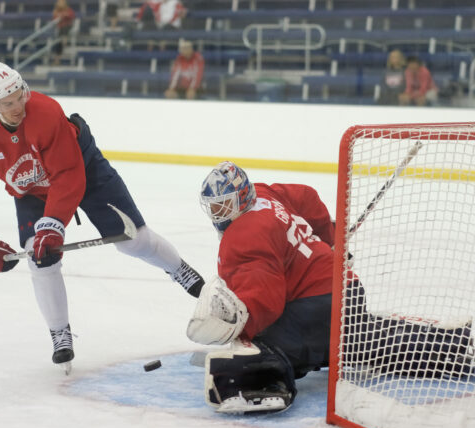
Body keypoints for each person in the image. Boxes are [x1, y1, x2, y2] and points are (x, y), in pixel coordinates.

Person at [0, 61, 204, 374]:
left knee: (133, 240)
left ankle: (177, 268)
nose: (18, 106)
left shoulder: (46, 113)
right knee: (40, 258)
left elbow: (67, 174)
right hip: (33, 192)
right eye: (7, 103)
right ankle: (59, 333)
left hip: (84, 170)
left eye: (20, 95)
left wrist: (54, 223)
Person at [187, 161, 472, 414]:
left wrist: (241, 331)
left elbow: (266, 298)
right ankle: (461, 340)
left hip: (322, 304)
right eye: (213, 206)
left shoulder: (243, 234)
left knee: (267, 343)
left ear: (241, 197)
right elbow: (306, 197)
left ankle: (461, 348)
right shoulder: (263, 194)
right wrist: (329, 238)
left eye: (223, 205)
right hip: (341, 287)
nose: (218, 213)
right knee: (364, 340)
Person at [51, 0, 76, 65]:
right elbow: (55, 19)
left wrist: (64, 15)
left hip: (68, 26)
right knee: (58, 43)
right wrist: (62, 15)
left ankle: (64, 40)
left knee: (64, 29)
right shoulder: (56, 11)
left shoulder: (68, 9)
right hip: (60, 28)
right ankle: (57, 60)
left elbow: (71, 16)